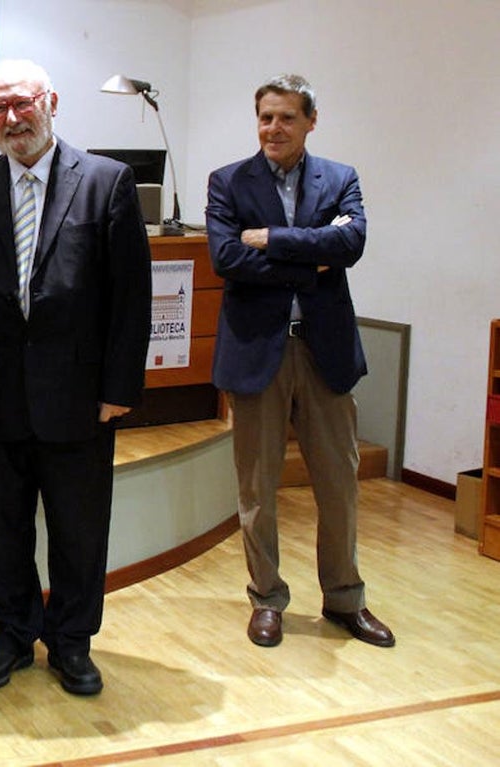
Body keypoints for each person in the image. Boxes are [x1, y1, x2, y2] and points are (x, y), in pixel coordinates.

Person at [0, 59, 151, 696]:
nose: (12, 118)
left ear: (50, 101)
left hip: (80, 397)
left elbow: (130, 297)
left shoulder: (106, 183)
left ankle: (72, 641)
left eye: (22, 103)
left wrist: (119, 388)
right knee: (2, 529)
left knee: (79, 529)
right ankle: (9, 636)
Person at [205, 74, 394, 649]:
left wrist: (271, 239)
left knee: (339, 485)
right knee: (258, 490)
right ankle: (267, 599)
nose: (274, 128)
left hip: (324, 351)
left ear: (311, 121)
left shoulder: (340, 178)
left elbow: (351, 244)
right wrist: (313, 255)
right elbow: (226, 258)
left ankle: (344, 599)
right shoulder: (228, 182)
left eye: (287, 117)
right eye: (265, 117)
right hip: (257, 352)